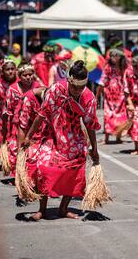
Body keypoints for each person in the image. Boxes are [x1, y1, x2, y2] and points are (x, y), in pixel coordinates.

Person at [22, 60, 101, 220]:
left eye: (81, 87)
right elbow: (41, 115)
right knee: (43, 169)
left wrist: (95, 149)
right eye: (74, 87)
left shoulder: (89, 97)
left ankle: (63, 208)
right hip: (52, 135)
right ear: (68, 80)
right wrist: (28, 136)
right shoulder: (57, 89)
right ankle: (42, 209)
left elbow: (90, 125)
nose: (77, 90)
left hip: (75, 140)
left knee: (73, 174)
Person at [3, 63, 40, 175]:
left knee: (33, 151)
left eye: (30, 74)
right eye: (25, 75)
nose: (28, 77)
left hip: (33, 125)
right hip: (17, 125)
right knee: (16, 150)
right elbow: (7, 110)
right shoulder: (12, 89)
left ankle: (30, 175)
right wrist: (6, 130)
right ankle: (19, 175)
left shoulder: (38, 87)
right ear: (20, 76)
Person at [97, 48, 130, 144]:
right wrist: (97, 96)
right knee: (108, 116)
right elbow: (102, 82)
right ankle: (106, 139)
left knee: (120, 116)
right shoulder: (107, 67)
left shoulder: (123, 68)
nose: (113, 58)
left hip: (120, 96)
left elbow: (125, 81)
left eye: (115, 56)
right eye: (111, 56)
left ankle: (118, 137)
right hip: (109, 96)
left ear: (120, 57)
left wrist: (127, 93)